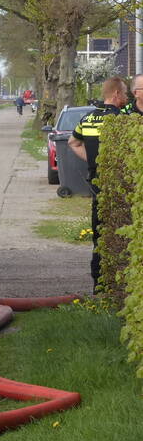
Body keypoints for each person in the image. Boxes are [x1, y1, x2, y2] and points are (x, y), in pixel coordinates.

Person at [68, 76, 129, 293]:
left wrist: (93, 160)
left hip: (97, 184)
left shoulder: (88, 118)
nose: (126, 97)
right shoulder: (123, 120)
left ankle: (98, 285)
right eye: (124, 93)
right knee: (122, 235)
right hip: (120, 186)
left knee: (100, 234)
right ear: (116, 94)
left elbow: (72, 142)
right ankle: (119, 285)